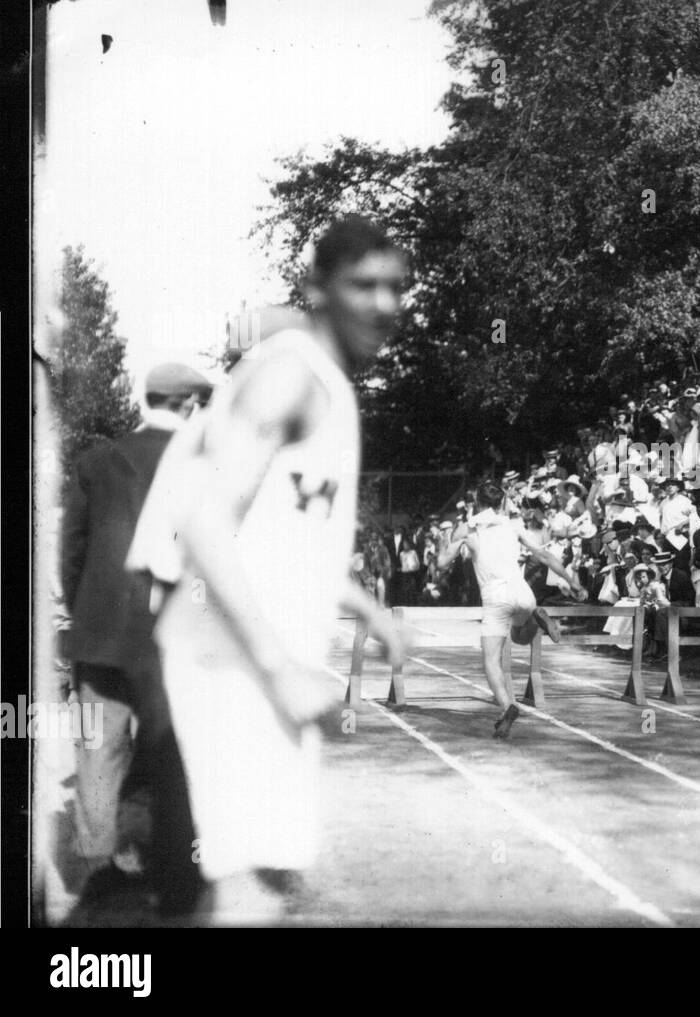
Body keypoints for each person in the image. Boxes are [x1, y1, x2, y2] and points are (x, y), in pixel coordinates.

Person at [130, 217, 409, 923]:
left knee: (259, 881)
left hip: (249, 662)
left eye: (396, 287)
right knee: (251, 887)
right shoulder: (289, 373)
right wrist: (277, 664)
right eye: (363, 285)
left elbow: (280, 539)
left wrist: (368, 609)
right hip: (231, 663)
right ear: (317, 289)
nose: (383, 304)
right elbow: (203, 521)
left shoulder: (326, 385)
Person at [61, 361, 211, 913]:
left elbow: (72, 551)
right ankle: (176, 878)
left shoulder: (97, 461)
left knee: (99, 750)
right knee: (176, 753)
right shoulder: (205, 462)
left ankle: (98, 872)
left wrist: (87, 617)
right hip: (175, 637)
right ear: (191, 405)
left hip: (101, 633)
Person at [439, 481, 587, 737]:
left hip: (495, 596)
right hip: (523, 592)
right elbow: (545, 556)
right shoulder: (514, 524)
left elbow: (442, 564)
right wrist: (572, 581)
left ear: (477, 502)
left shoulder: (468, 527)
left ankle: (507, 707)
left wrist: (444, 538)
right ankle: (536, 615)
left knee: (491, 661)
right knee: (519, 636)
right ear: (500, 503)